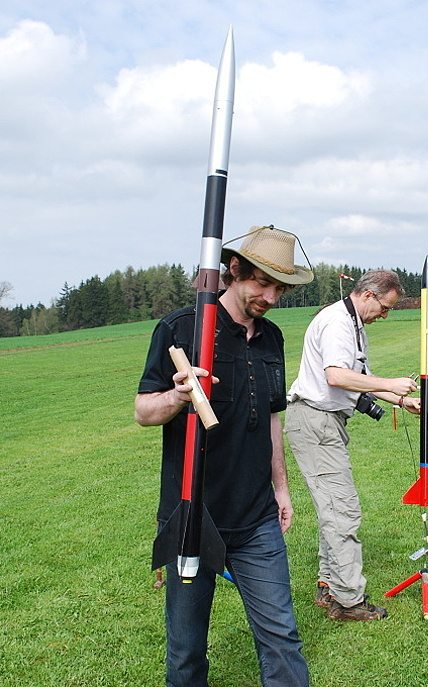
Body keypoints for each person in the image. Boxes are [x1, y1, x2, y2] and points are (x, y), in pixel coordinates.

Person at [135, 225, 313, 687]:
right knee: (187, 652)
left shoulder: (272, 338)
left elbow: (272, 418)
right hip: (193, 515)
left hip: (256, 519)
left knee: (282, 637)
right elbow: (143, 411)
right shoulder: (182, 328)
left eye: (279, 287)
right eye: (262, 283)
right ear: (233, 271)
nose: (270, 296)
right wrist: (178, 397)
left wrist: (281, 488)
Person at [284, 270, 421, 621]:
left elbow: (357, 382)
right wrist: (390, 382)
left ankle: (329, 584)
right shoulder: (338, 324)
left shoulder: (353, 323)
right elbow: (336, 376)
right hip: (315, 422)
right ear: (369, 295)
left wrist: (398, 400)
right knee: (343, 511)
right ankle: (348, 602)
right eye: (386, 308)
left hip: (325, 422)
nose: (385, 315)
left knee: (335, 509)